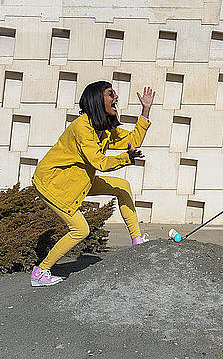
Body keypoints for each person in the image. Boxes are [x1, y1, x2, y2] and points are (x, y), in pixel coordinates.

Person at [29, 81, 155, 287]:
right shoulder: (82, 128)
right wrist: (126, 158)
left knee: (122, 186)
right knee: (80, 229)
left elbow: (133, 140)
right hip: (54, 184)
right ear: (98, 100)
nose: (115, 97)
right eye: (110, 94)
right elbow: (99, 162)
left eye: (114, 93)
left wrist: (146, 110)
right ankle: (41, 272)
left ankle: (137, 241)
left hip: (79, 179)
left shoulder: (103, 128)